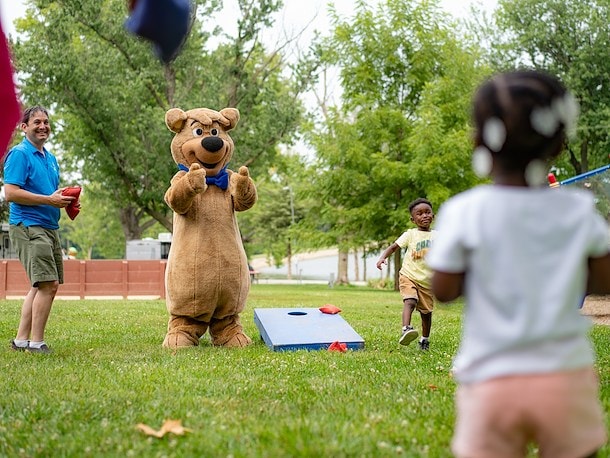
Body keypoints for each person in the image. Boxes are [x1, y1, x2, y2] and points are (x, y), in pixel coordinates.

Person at [427, 70, 609, 458]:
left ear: (479, 140)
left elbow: (443, 290)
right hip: (565, 377)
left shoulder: (464, 211)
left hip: (491, 379)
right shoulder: (578, 211)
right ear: (560, 142)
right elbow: (605, 280)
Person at [4, 106, 76, 354]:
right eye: (36, 122)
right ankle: (36, 343)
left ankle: (21, 340)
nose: (43, 126)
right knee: (48, 284)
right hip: (28, 225)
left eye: (46, 121)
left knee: (39, 285)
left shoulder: (50, 158)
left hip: (48, 226)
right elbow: (10, 193)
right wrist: (48, 200)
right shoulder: (20, 154)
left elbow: (47, 192)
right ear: (24, 127)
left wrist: (65, 200)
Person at [376, 198, 436, 350]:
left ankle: (424, 340)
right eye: (419, 214)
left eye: (427, 212)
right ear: (413, 219)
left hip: (427, 281)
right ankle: (406, 329)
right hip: (408, 275)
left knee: (426, 314)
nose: (424, 216)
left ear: (433, 216)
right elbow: (394, 247)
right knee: (410, 300)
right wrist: (383, 257)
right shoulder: (410, 234)